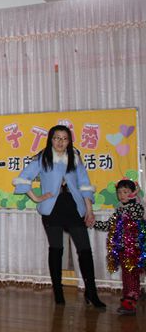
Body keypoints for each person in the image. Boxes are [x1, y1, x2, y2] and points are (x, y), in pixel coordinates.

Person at [13, 125, 105, 308]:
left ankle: (91, 292)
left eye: (64, 138)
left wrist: (89, 210)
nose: (60, 142)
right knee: (56, 249)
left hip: (74, 207)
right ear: (51, 139)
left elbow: (84, 184)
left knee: (85, 251)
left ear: (69, 141)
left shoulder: (75, 158)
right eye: (57, 138)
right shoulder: (43, 158)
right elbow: (23, 178)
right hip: (52, 209)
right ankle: (58, 292)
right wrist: (37, 198)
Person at [93, 179, 144, 315]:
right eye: (119, 192)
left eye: (126, 192)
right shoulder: (119, 210)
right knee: (126, 275)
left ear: (133, 193)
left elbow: (135, 215)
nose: (122, 195)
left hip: (133, 249)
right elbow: (109, 225)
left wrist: (135, 198)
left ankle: (130, 301)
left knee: (131, 274)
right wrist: (92, 223)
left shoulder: (136, 207)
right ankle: (128, 298)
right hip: (121, 247)